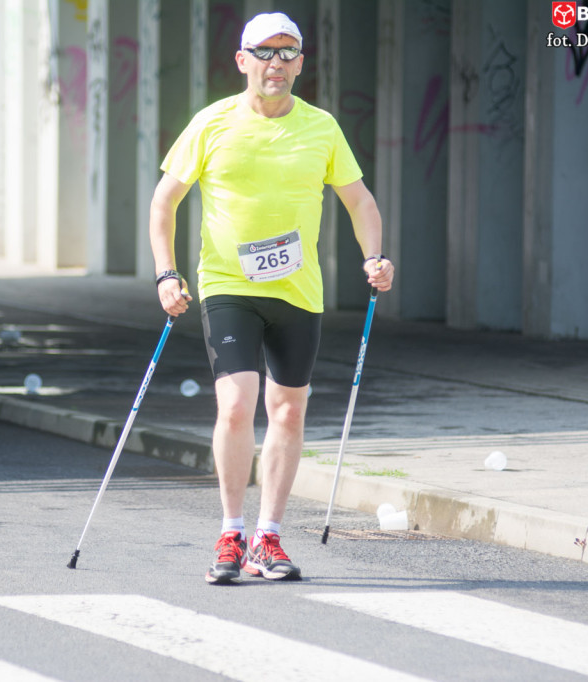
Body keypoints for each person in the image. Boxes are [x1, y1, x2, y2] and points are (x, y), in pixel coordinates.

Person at [149, 12, 394, 585]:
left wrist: (374, 258)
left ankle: (268, 538)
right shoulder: (211, 125)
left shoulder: (321, 128)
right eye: (265, 52)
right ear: (242, 61)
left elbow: (360, 202)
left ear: (301, 63)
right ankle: (231, 532)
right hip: (228, 287)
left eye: (288, 54)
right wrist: (166, 274)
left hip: (297, 293)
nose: (276, 64)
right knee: (236, 404)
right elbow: (165, 203)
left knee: (287, 410)